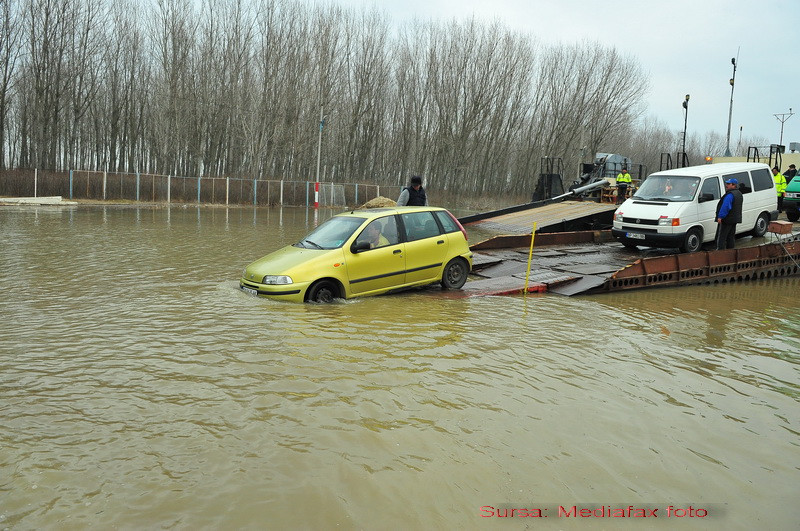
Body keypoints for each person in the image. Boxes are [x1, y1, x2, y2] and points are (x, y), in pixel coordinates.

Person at [715, 177, 743, 250]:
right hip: (734, 219)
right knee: (731, 236)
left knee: (722, 237)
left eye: (728, 184)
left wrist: (720, 217)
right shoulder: (739, 194)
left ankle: (720, 253)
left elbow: (726, 206)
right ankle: (731, 253)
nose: (726, 185)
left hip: (727, 219)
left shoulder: (730, 195)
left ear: (733, 185)